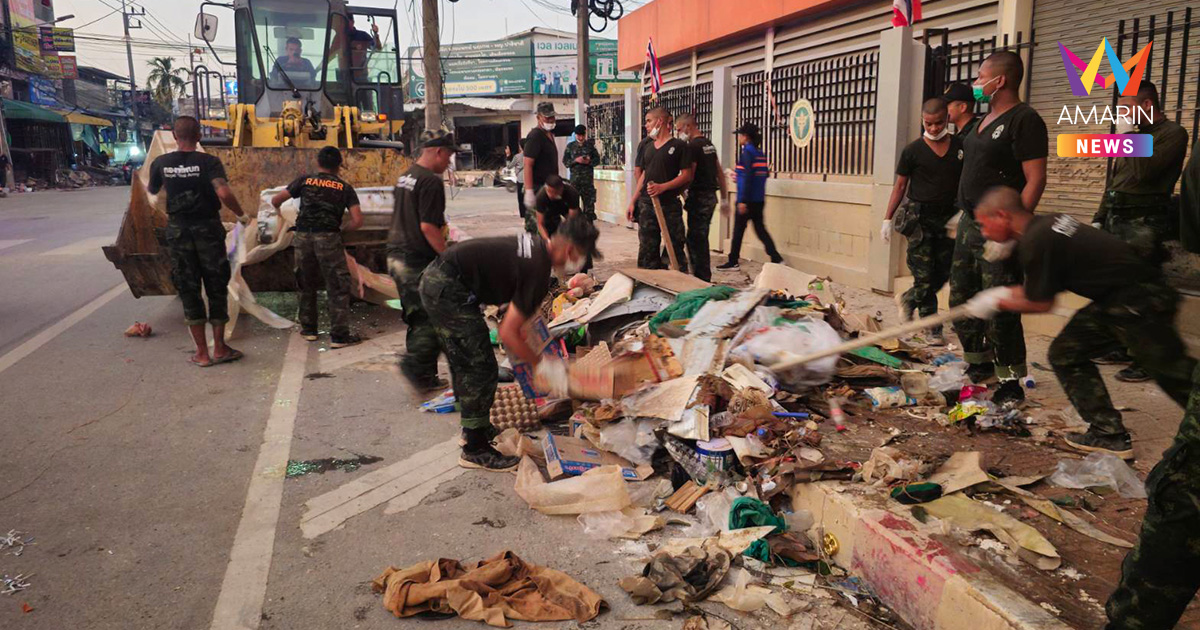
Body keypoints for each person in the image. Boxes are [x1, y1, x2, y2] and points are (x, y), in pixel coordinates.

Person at [968, 186, 1195, 458]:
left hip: (1140, 300)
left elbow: (1041, 302)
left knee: (1176, 374)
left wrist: (997, 300)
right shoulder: (1045, 224)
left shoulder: (1037, 242)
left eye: (983, 224)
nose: (983, 232)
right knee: (1066, 353)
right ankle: (1108, 433)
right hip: (1115, 298)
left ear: (1002, 215)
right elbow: (1039, 289)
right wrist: (999, 292)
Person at [420, 216, 600, 471]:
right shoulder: (537, 267)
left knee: (470, 359)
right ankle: (474, 450)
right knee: (479, 368)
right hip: (446, 289)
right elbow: (508, 333)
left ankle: (477, 427)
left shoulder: (537, 248)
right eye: (580, 256)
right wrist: (543, 367)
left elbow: (518, 317)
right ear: (570, 250)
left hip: (445, 280)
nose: (576, 263)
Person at [1101, 171, 1200, 630]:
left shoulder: (1166, 136)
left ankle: (1107, 426)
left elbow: (1178, 213)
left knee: (1185, 493)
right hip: (1118, 270)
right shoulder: (1120, 139)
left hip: (1138, 276)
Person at [948, 50, 1047, 406]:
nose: (976, 83)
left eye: (979, 76)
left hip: (1001, 229)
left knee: (1001, 306)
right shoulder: (983, 121)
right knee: (962, 298)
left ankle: (1010, 381)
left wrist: (1013, 232)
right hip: (971, 223)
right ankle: (979, 364)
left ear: (999, 80)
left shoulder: (1024, 119)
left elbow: (1035, 179)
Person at [1088, 80, 1189, 383]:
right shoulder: (1136, 135)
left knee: (1143, 293)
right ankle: (1121, 345)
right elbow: (1117, 181)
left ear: (1147, 106)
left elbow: (1146, 173)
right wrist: (1099, 217)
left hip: (1144, 223)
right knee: (1116, 288)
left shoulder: (1172, 134)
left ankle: (1148, 359)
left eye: (1127, 108)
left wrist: (1129, 134)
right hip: (1117, 220)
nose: (1122, 114)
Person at [146, 116, 248, 367]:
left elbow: (151, 195)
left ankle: (201, 353)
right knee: (216, 287)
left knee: (189, 290)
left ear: (173, 136)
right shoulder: (209, 162)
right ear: (199, 136)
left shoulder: (161, 163)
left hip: (178, 232)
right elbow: (223, 192)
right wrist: (241, 215)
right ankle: (221, 349)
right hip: (208, 231)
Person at [881, 98, 964, 345]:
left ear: (947, 119)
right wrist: (887, 218)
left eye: (939, 123)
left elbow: (967, 180)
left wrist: (965, 211)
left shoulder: (961, 147)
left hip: (950, 219)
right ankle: (931, 326)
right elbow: (900, 185)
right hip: (920, 220)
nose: (934, 128)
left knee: (944, 272)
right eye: (928, 123)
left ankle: (909, 298)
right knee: (924, 274)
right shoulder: (913, 151)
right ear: (922, 121)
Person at [270, 146, 363, 348]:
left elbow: (276, 199)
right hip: (329, 237)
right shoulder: (345, 188)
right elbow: (357, 220)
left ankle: (309, 330)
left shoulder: (304, 180)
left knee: (305, 282)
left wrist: (281, 217)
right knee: (337, 285)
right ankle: (339, 336)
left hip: (303, 237)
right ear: (339, 165)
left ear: (318, 163)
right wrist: (341, 231)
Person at [387, 130, 458, 392]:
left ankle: (424, 376)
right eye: (448, 156)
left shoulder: (406, 176)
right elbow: (429, 227)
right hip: (415, 259)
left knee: (417, 317)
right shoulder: (429, 181)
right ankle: (415, 365)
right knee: (433, 318)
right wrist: (448, 258)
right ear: (438, 151)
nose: (448, 162)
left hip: (396, 255)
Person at [628, 107, 693, 270]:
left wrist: (663, 187)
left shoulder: (679, 146)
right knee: (647, 247)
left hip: (668, 204)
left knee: (675, 244)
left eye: (649, 121)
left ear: (660, 121)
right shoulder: (648, 147)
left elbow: (686, 175)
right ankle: (647, 284)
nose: (646, 125)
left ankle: (676, 278)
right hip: (647, 205)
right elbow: (644, 175)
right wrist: (633, 201)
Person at [718, 122, 783, 270]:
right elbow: (762, 174)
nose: (738, 137)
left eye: (740, 135)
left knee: (738, 231)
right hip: (759, 199)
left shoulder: (747, 153)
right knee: (760, 229)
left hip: (746, 199)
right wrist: (738, 175)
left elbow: (747, 177)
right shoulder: (760, 154)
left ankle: (733, 260)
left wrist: (742, 201)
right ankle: (776, 258)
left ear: (745, 137)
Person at [675, 113, 730, 282]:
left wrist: (679, 191)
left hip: (699, 198)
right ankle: (703, 276)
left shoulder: (692, 147)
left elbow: (689, 175)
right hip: (710, 197)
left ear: (688, 127)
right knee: (701, 238)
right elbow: (720, 172)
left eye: (679, 130)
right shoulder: (709, 145)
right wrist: (724, 198)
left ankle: (701, 278)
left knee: (695, 240)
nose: (678, 134)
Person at [523, 102, 559, 234]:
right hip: (538, 189)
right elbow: (528, 164)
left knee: (552, 226)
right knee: (537, 230)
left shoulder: (549, 135)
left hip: (550, 189)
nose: (550, 121)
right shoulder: (535, 136)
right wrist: (529, 191)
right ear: (538, 117)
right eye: (547, 118)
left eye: (552, 117)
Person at [562, 125, 600, 222]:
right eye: (578, 135)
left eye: (582, 135)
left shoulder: (590, 146)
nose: (581, 137)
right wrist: (576, 160)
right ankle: (576, 227)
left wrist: (589, 162)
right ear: (575, 135)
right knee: (573, 205)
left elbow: (597, 160)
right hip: (575, 181)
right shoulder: (570, 147)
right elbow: (565, 162)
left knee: (589, 208)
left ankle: (588, 228)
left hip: (587, 182)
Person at [534, 174, 581, 239]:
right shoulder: (541, 197)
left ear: (561, 189)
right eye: (549, 192)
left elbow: (572, 220)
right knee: (548, 230)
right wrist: (547, 240)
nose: (551, 195)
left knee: (578, 226)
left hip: (566, 207)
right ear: (546, 188)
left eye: (555, 192)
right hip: (549, 209)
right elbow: (540, 224)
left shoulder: (572, 193)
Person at [509, 139, 527, 219]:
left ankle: (523, 214)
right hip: (530, 178)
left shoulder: (517, 156)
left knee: (521, 198)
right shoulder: (532, 155)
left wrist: (508, 156)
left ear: (520, 146)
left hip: (520, 179)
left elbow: (509, 166)